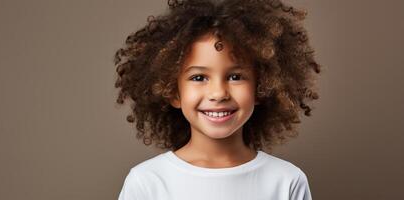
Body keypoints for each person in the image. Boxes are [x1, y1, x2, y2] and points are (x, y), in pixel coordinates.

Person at [113, 0, 321, 199]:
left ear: (261, 88)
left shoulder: (287, 182)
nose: (219, 93)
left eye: (235, 77)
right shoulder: (147, 182)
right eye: (199, 78)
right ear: (173, 93)